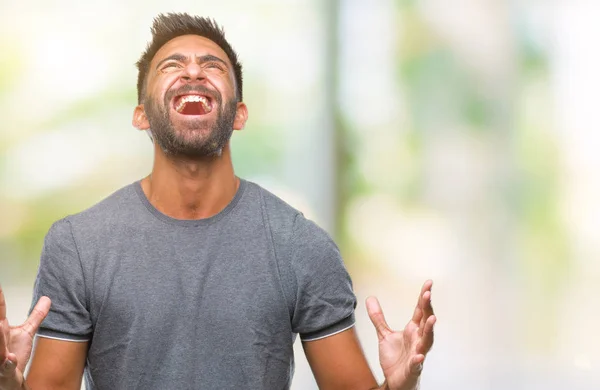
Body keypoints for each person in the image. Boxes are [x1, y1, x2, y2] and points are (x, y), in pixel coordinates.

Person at [0, 13, 436, 390]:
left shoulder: (301, 246)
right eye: (172, 65)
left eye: (213, 66)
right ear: (142, 115)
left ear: (239, 114)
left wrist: (400, 385)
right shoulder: (77, 245)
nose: (193, 73)